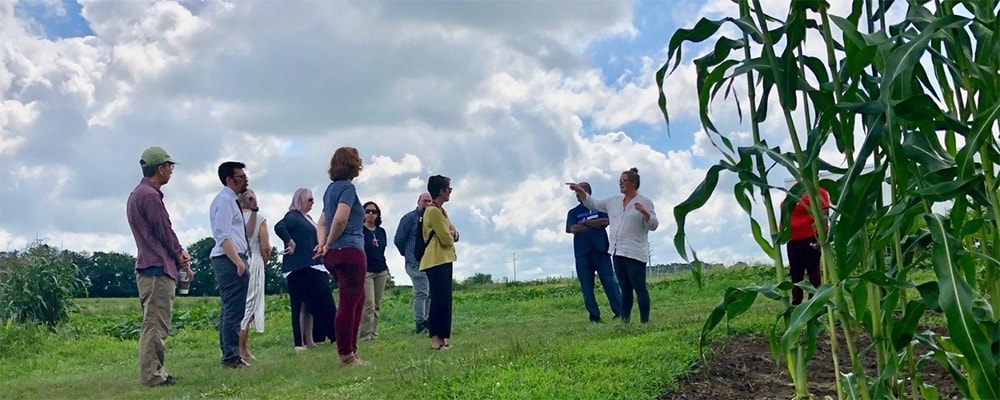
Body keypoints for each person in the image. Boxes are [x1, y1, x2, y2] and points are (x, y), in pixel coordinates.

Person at [126, 146, 192, 387]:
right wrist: (179, 254)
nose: (171, 172)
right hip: (156, 269)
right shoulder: (150, 196)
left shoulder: (138, 194)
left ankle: (157, 371)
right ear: (160, 168)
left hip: (149, 267)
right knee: (155, 324)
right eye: (169, 167)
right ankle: (153, 377)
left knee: (154, 322)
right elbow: (164, 230)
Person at [567, 167, 658, 324]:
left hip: (634, 252)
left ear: (634, 183)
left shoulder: (644, 202)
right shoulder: (613, 201)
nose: (621, 184)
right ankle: (625, 321)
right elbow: (592, 203)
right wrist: (580, 191)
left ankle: (644, 322)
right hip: (617, 251)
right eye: (620, 181)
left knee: (639, 288)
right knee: (625, 289)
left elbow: (654, 225)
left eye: (624, 181)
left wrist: (645, 213)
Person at [315, 147, 368, 366]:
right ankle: (346, 354)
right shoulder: (348, 189)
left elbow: (322, 222)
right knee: (348, 303)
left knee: (358, 299)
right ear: (352, 164)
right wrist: (328, 243)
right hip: (350, 251)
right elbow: (339, 220)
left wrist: (322, 245)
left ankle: (351, 351)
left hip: (334, 255)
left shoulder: (330, 190)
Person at [274, 188, 338, 351]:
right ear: (300, 200)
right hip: (299, 266)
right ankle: (299, 342)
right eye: (309, 200)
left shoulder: (307, 218)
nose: (312, 203)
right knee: (300, 304)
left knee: (309, 306)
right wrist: (290, 242)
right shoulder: (293, 216)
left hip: (313, 265)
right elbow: (279, 226)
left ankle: (309, 340)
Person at [209, 161, 251, 368]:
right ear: (229, 179)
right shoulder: (225, 201)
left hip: (231, 258)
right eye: (241, 176)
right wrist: (237, 261)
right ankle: (231, 357)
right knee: (233, 310)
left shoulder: (230, 200)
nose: (245, 180)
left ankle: (231, 354)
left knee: (232, 309)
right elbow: (222, 233)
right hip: (229, 259)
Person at [566, 182, 622, 323]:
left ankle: (620, 312)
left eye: (580, 192)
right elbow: (572, 229)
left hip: (601, 251)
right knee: (586, 286)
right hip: (582, 254)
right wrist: (592, 224)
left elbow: (604, 222)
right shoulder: (573, 212)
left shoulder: (599, 208)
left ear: (588, 193)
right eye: (577, 193)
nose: (578, 195)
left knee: (610, 282)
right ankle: (594, 316)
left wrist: (584, 223)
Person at [421, 175, 459, 350]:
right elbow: (446, 238)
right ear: (441, 191)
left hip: (445, 259)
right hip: (435, 260)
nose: (450, 192)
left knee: (445, 300)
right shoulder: (433, 211)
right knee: (438, 300)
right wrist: (451, 233)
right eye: (448, 189)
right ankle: (435, 339)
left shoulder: (442, 211)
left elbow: (453, 233)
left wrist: (452, 233)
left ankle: (443, 338)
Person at [236, 189, 270, 361]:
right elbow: (265, 247)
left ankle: (237, 347)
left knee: (238, 304)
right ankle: (242, 349)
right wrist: (265, 261)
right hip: (254, 260)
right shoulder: (260, 219)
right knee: (249, 306)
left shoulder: (235, 218)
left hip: (236, 259)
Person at [394, 193, 433, 334]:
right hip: (414, 262)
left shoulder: (431, 218)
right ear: (418, 202)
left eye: (430, 201)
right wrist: (407, 254)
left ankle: (428, 320)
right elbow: (399, 239)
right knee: (422, 292)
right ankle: (420, 322)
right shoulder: (409, 218)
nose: (427, 203)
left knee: (429, 293)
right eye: (424, 201)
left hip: (429, 261)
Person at [786, 184, 831, 305]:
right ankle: (796, 302)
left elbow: (824, 216)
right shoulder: (795, 190)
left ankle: (814, 301)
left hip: (810, 237)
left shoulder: (820, 192)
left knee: (813, 271)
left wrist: (822, 238)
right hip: (792, 238)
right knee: (795, 272)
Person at [360, 201, 389, 341]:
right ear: (363, 214)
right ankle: (365, 335)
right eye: (367, 211)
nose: (371, 214)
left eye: (374, 211)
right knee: (368, 304)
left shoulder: (381, 231)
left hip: (381, 270)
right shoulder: (360, 230)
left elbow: (382, 249)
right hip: (366, 271)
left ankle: (373, 333)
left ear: (378, 215)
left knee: (377, 304)